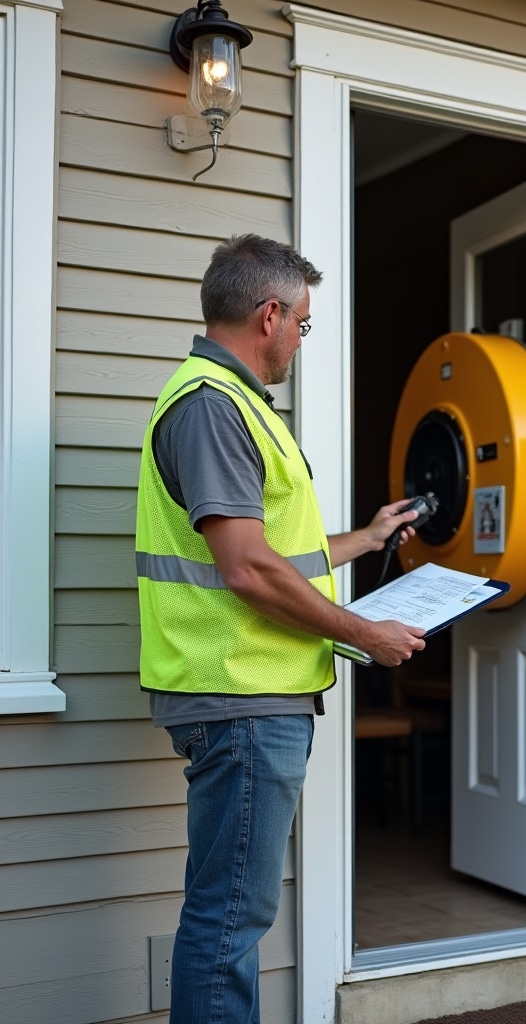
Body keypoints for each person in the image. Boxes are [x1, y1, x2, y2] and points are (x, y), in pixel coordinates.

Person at [135, 233, 426, 1024]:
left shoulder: (222, 403)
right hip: (241, 699)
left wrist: (362, 541)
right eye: (303, 322)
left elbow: (268, 550)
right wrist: (366, 634)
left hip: (247, 699)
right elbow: (247, 569)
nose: (301, 337)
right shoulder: (211, 408)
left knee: (229, 919)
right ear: (269, 315)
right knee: (228, 926)